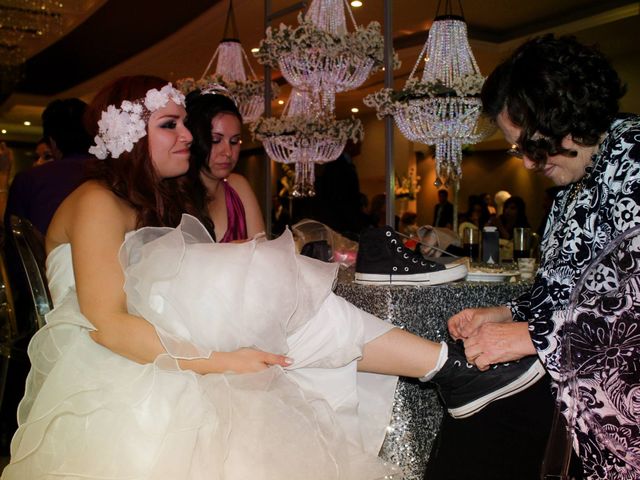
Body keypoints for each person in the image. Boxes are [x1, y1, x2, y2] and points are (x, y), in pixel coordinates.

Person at [2, 75, 544, 479]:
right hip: (108, 364)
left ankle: (445, 369)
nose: (188, 137)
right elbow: (108, 325)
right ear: (126, 137)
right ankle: (446, 368)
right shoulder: (99, 201)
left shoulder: (145, 204)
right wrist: (223, 361)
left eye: (184, 124)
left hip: (156, 340)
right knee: (269, 304)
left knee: (276, 308)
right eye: (169, 125)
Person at [437, 34, 638, 479]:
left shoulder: (635, 160)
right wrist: (506, 311)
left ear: (563, 114)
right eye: (518, 150)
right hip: (570, 393)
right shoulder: (571, 188)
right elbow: (567, 292)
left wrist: (535, 336)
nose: (527, 163)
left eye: (530, 145)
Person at [182, 86, 264, 241]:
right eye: (215, 140)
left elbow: (263, 253)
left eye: (234, 141)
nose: (227, 152)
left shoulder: (238, 186)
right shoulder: (174, 193)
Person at [3, 98, 94, 235]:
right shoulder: (115, 173)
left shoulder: (31, 179)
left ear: (53, 142)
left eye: (46, 156)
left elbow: (17, 241)